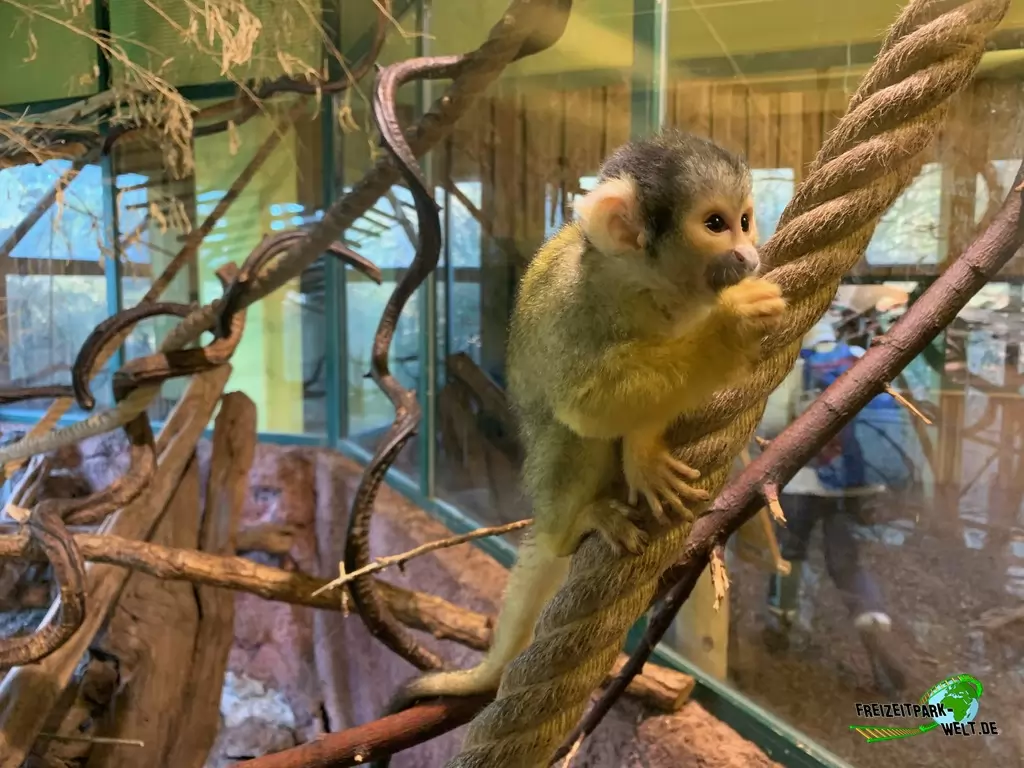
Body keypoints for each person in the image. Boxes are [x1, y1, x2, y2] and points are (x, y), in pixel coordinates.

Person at [759, 319, 909, 695]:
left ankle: (782, 623)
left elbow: (774, 421)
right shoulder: (861, 359)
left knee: (788, 555)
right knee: (846, 561)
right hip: (850, 485)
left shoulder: (796, 366)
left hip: (802, 486)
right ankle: (871, 615)